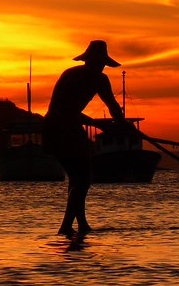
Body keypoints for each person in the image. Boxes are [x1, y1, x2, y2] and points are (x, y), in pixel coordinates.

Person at [43, 40, 131, 236]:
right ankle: (66, 226)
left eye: (102, 64)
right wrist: (99, 124)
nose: (100, 66)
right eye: (97, 62)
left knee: (78, 177)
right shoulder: (73, 76)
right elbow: (64, 111)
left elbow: (112, 105)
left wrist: (122, 124)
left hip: (70, 127)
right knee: (82, 178)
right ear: (89, 61)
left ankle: (82, 225)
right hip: (58, 127)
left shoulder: (100, 79)